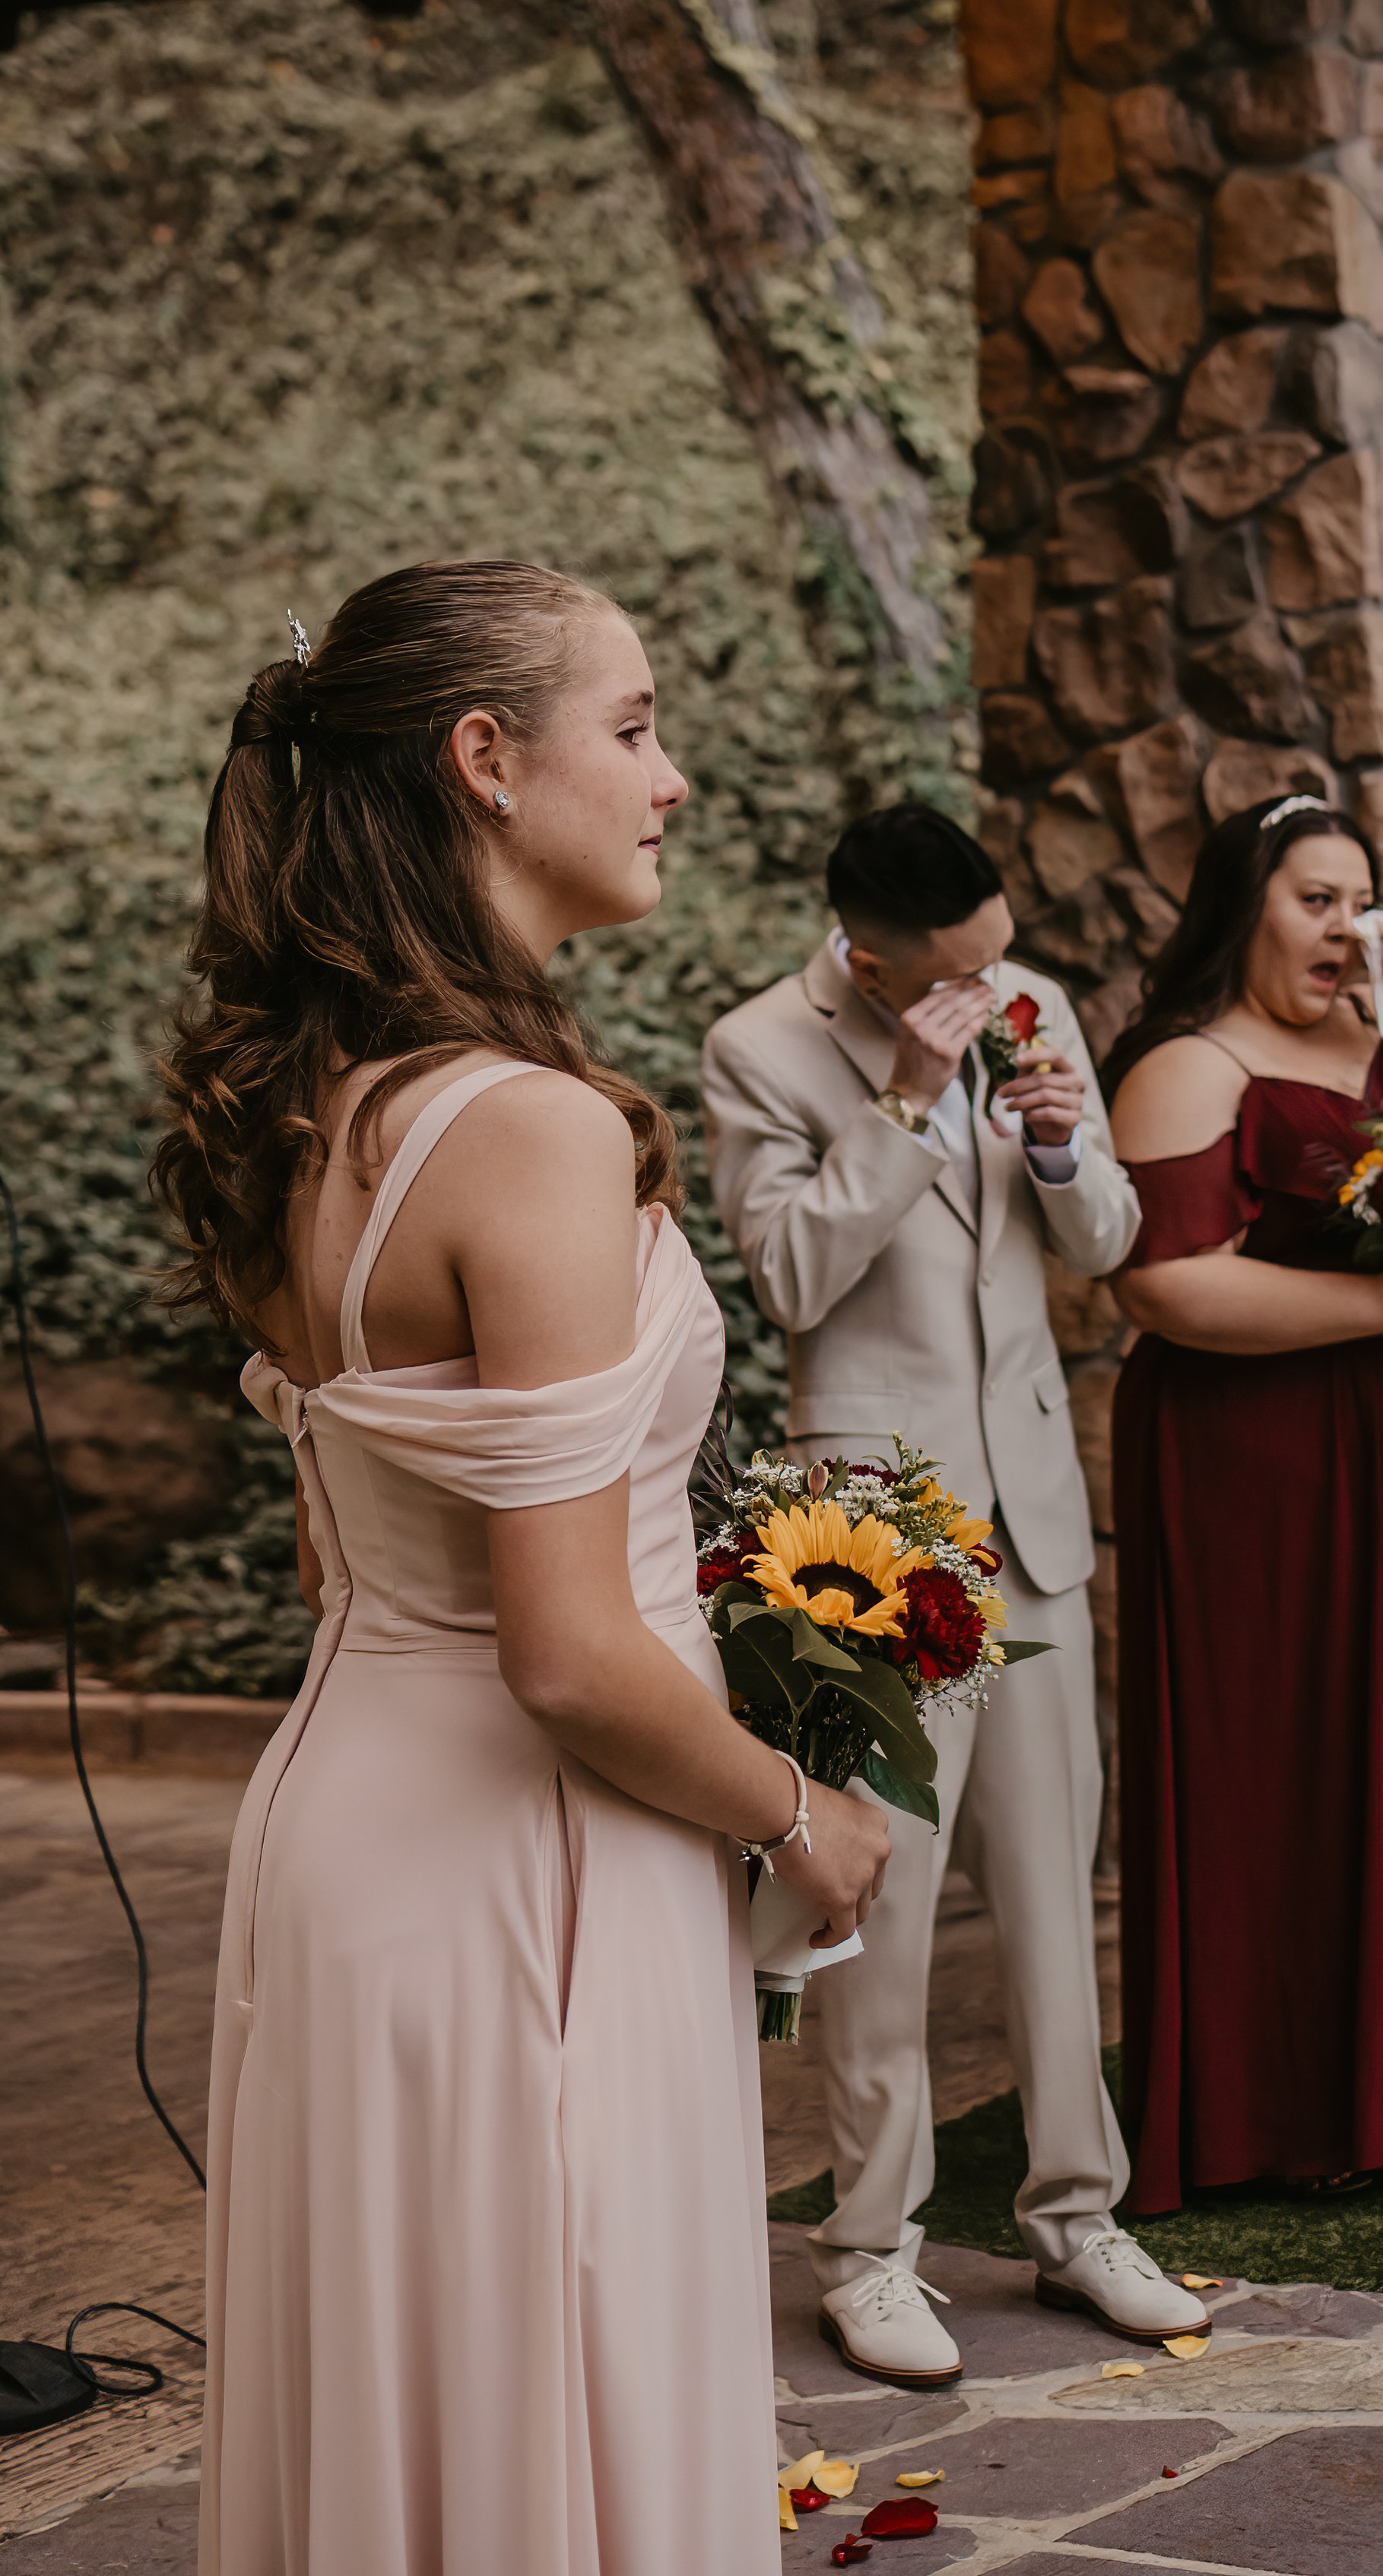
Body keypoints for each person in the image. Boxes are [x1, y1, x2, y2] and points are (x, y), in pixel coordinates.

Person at [154, 561, 887, 2576]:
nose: (669, 775)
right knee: (555, 2417)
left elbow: (345, 1534)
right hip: (527, 1854)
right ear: (484, 759)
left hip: (352, 1833)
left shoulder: (300, 1109)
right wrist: (804, 1813)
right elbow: (566, 1651)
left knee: (420, 2430)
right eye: (633, 725)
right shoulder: (534, 1131)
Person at [699, 801, 1207, 2387]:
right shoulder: (759, 1050)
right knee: (883, 1906)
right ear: (866, 954)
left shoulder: (1032, 1000)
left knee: (1059, 1889)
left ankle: (1076, 2218)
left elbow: (1107, 1236)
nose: (995, 993)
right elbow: (783, 1277)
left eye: (1001, 962)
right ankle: (868, 2248)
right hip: (870, 1542)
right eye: (957, 975)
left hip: (1034, 1516)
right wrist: (910, 1101)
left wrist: (1058, 1140)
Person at [1105, 792, 1383, 2204]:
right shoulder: (1193, 1065)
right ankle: (1288, 2101)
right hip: (1272, 1465)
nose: (1346, 928)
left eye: (1363, 900)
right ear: (1245, 904)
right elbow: (1165, 1284)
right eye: (1316, 899)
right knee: (1295, 1744)